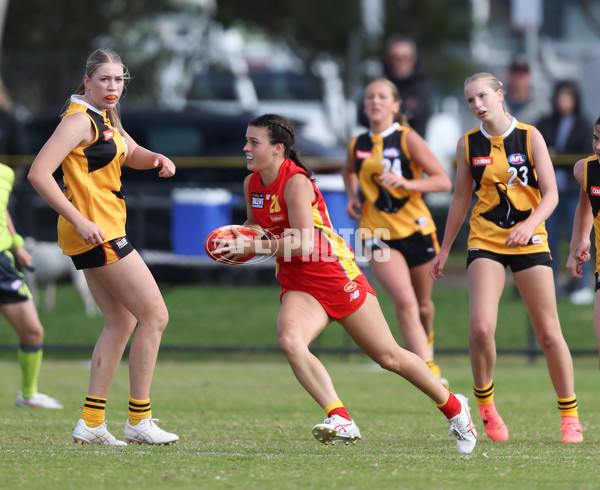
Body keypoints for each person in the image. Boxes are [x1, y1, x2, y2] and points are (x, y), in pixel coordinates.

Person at [214, 113, 477, 454]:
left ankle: (455, 409)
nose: (245, 148)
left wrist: (252, 246)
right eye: (247, 141)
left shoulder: (296, 182)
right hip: (298, 281)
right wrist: (234, 239)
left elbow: (304, 244)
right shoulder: (252, 184)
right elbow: (255, 224)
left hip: (334, 274)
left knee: (390, 357)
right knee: (291, 341)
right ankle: (340, 418)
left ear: (278, 149)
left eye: (254, 142)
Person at [27, 49, 178, 446]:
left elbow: (133, 154)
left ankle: (92, 422)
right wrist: (79, 218)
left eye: (118, 80)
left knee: (122, 322)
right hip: (100, 232)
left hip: (99, 231)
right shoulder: (78, 121)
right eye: (104, 80)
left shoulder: (105, 118)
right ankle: (138, 420)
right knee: (155, 316)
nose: (112, 87)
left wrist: (158, 158)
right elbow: (39, 174)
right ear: (87, 82)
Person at [430, 72, 583, 444]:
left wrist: (530, 225)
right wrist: (446, 246)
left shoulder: (530, 136)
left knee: (548, 332)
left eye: (482, 96)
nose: (477, 105)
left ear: (499, 95)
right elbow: (460, 200)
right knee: (481, 327)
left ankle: (570, 416)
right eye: (470, 100)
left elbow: (551, 195)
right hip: (486, 240)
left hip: (530, 242)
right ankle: (485, 406)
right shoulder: (468, 144)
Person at [343, 78, 451, 386]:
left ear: (395, 105)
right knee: (404, 300)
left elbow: (443, 181)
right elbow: (349, 169)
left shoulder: (407, 139)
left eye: (381, 96)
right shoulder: (358, 144)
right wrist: (353, 196)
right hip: (377, 233)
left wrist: (408, 184)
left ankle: (425, 342)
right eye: (369, 97)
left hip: (416, 230)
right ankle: (429, 369)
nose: (374, 101)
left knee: (423, 305)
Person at [0, 162, 62, 410]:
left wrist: (17, 246)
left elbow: (2, 209)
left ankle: (28, 395)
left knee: (33, 331)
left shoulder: (5, 172)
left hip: (3, 262)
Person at [535, 80, 592, 303]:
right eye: (561, 96)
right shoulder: (546, 122)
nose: (563, 101)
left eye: (568, 97)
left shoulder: (585, 125)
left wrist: (557, 154)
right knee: (547, 240)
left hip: (573, 192)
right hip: (548, 192)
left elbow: (585, 155)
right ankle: (546, 286)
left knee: (579, 238)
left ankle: (581, 285)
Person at [567, 116, 600, 363]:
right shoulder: (584, 169)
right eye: (595, 138)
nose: (597, 146)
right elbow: (586, 199)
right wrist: (581, 239)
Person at [503, 53, 550, 126]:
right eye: (516, 73)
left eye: (523, 73)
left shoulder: (541, 105)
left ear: (529, 75)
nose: (519, 77)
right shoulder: (498, 101)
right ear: (509, 74)